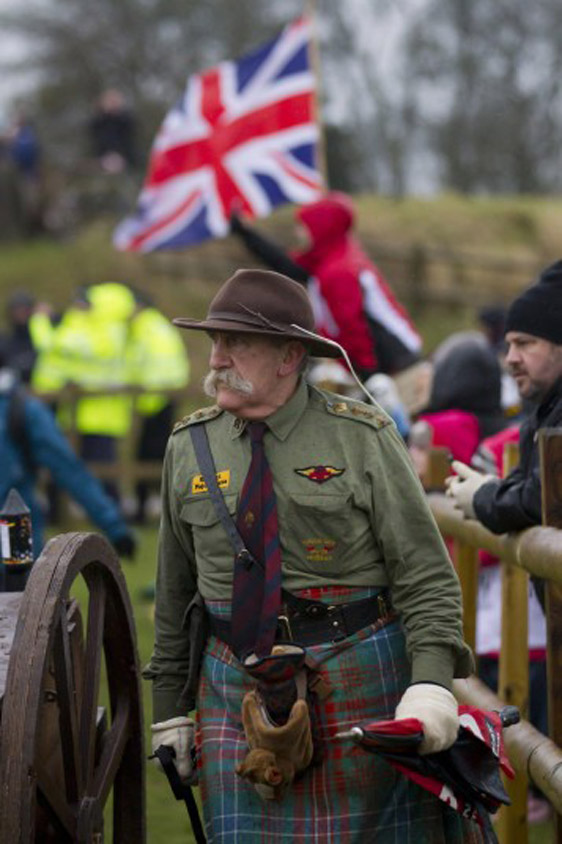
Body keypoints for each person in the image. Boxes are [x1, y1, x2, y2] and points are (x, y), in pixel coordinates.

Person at [143, 268, 479, 842]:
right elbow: (176, 596)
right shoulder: (186, 447)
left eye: (236, 343)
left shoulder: (362, 437)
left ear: (289, 355)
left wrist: (430, 686)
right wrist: (171, 710)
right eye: (214, 341)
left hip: (358, 674)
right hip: (230, 686)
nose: (217, 358)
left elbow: (425, 577)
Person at [445, 259, 562, 822]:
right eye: (509, 341)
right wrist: (492, 491)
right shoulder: (545, 405)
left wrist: (484, 501)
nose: (510, 355)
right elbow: (525, 484)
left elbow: (536, 497)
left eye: (527, 341)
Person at [230, 192, 423, 381]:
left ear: (321, 228)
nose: (299, 232)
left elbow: (353, 327)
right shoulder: (327, 258)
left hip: (393, 362)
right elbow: (286, 264)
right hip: (383, 360)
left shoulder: (340, 270)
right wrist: (246, 233)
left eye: (303, 226)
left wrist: (367, 373)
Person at [0, 340, 135, 560]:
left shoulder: (21, 411)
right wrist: (114, 526)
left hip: (15, 548)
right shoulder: (25, 409)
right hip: (17, 546)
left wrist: (114, 526)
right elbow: (69, 469)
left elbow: (68, 469)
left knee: (20, 592)